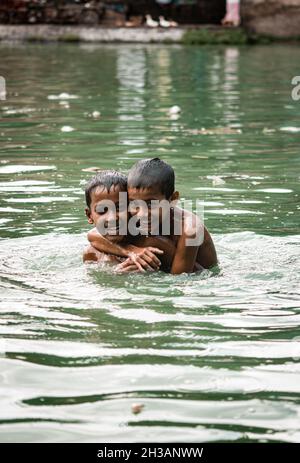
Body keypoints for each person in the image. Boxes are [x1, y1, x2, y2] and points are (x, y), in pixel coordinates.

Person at [86, 159, 217, 274]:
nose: (142, 214)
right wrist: (132, 251)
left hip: (202, 276)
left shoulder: (189, 228)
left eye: (150, 204)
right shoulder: (135, 214)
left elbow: (181, 280)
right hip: (169, 262)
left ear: (172, 199)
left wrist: (161, 254)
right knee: (92, 251)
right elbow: (93, 235)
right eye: (133, 203)